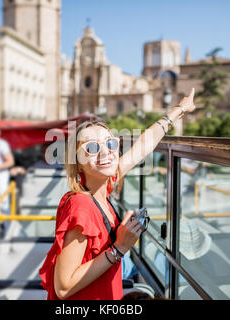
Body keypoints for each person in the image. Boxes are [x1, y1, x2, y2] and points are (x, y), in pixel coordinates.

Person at [39, 88, 197, 300]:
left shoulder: (102, 186)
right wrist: (119, 248)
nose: (105, 152)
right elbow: (63, 287)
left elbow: (143, 146)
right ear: (78, 163)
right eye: (92, 148)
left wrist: (180, 110)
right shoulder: (80, 206)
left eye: (110, 143)